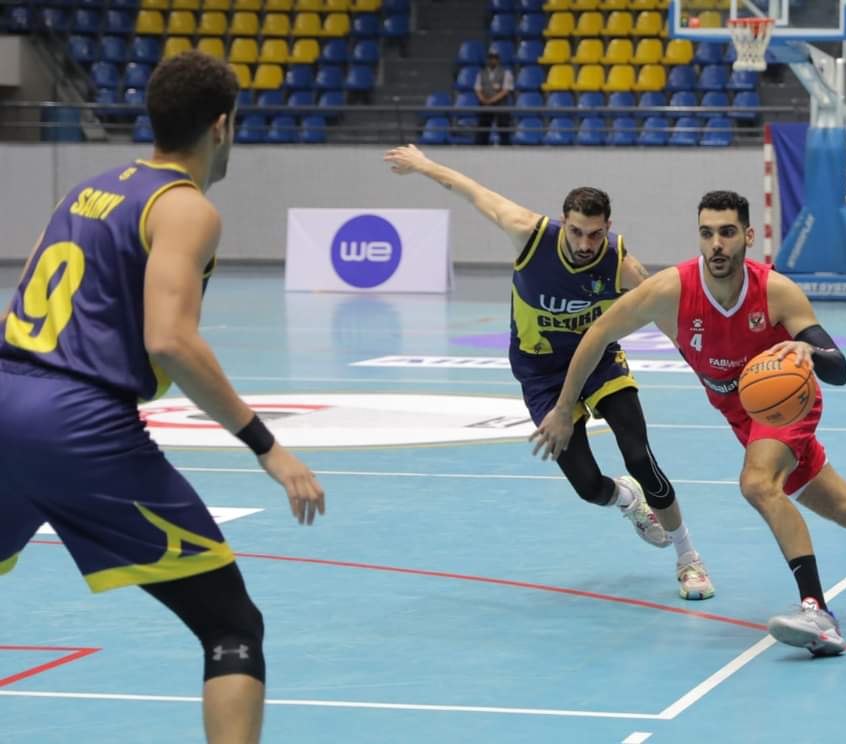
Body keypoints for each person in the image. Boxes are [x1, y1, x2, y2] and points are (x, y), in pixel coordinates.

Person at [0, 51, 325, 743]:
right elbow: (170, 341)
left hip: (6, 395)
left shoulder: (87, 190)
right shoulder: (185, 209)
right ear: (222, 125)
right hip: (77, 423)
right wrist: (268, 446)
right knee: (230, 624)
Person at [530, 190, 846, 656]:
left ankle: (817, 612)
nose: (717, 244)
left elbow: (839, 368)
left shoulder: (776, 291)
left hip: (787, 406)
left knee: (756, 483)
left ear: (748, 236)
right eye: (707, 233)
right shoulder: (671, 291)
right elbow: (598, 333)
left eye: (728, 232)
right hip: (743, 418)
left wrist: (808, 350)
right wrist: (564, 409)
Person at [384, 144, 714, 600]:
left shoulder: (620, 265)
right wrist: (422, 165)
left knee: (639, 455)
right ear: (563, 222)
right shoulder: (529, 234)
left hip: (599, 362)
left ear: (608, 228)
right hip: (541, 374)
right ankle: (627, 499)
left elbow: (667, 318)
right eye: (576, 232)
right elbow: (470, 190)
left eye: (594, 235)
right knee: (587, 486)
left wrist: (707, 367)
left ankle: (688, 558)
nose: (584, 244)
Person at [474, 46, 514, 145]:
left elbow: (505, 91)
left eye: (494, 58)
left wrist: (491, 101)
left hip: (500, 106)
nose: (492, 60)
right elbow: (478, 89)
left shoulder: (506, 73)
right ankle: (481, 146)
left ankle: (506, 146)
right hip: (485, 105)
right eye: (490, 58)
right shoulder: (481, 73)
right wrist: (483, 100)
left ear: (498, 59)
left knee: (504, 128)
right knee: (483, 129)